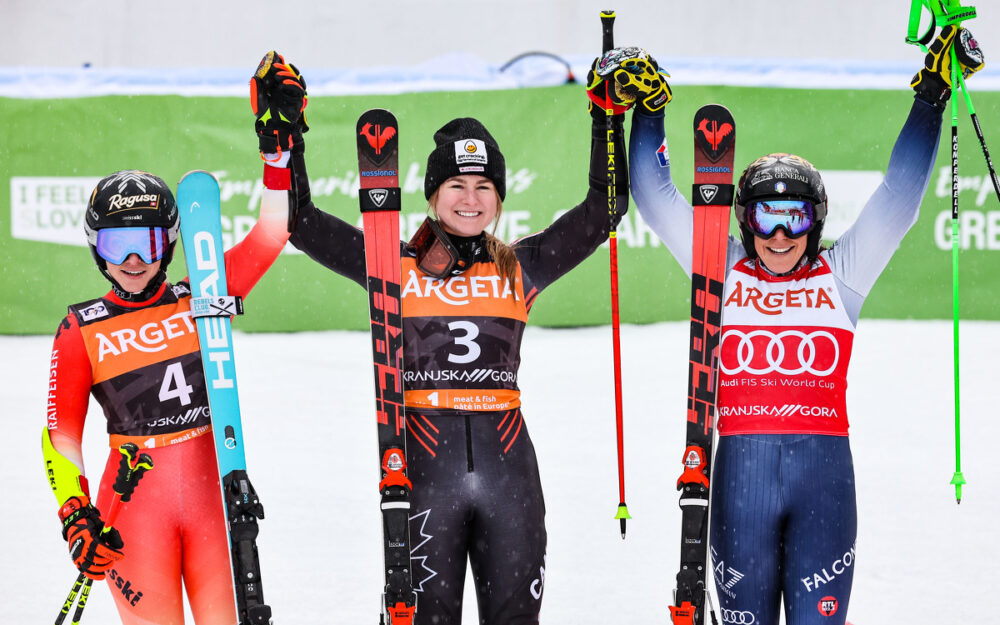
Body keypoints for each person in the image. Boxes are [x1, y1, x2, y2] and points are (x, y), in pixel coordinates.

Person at [616, 26, 984, 625]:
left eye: (795, 217)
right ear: (744, 220)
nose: (780, 235)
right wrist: (650, 111)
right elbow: (654, 194)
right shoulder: (719, 265)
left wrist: (933, 94)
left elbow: (899, 198)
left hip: (825, 489)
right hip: (740, 486)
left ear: (815, 223)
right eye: (766, 216)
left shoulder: (841, 277)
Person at [284, 56, 653, 623]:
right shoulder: (390, 265)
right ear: (433, 195)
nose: (471, 198)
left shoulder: (521, 266)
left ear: (499, 197)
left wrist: (606, 119)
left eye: (484, 186)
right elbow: (302, 222)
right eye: (456, 184)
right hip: (424, 474)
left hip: (510, 476)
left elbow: (604, 210)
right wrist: (287, 137)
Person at [42, 51, 306, 624]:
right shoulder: (80, 327)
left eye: (150, 244)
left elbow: (270, 233)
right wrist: (75, 514)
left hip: (214, 492)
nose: (134, 261)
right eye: (117, 246)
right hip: (132, 507)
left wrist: (277, 155)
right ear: (96, 251)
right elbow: (61, 435)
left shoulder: (202, 292)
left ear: (171, 244)